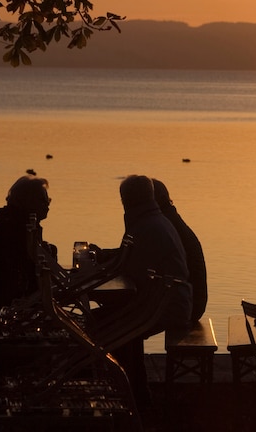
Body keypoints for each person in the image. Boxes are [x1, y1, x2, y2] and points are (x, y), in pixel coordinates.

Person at [93, 175, 192, 411]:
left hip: (167, 306)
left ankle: (126, 395)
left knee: (108, 327)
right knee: (117, 324)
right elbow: (129, 262)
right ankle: (135, 393)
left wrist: (95, 280)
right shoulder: (151, 221)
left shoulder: (146, 226)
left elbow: (128, 273)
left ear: (126, 200)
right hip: (162, 301)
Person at [0, 174, 57, 310]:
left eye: (48, 200)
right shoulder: (18, 227)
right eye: (43, 200)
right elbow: (26, 260)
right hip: (13, 289)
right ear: (27, 201)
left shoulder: (6, 220)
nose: (47, 205)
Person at [152, 178, 208, 320]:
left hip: (189, 305)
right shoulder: (170, 219)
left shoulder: (164, 224)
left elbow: (143, 256)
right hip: (192, 301)